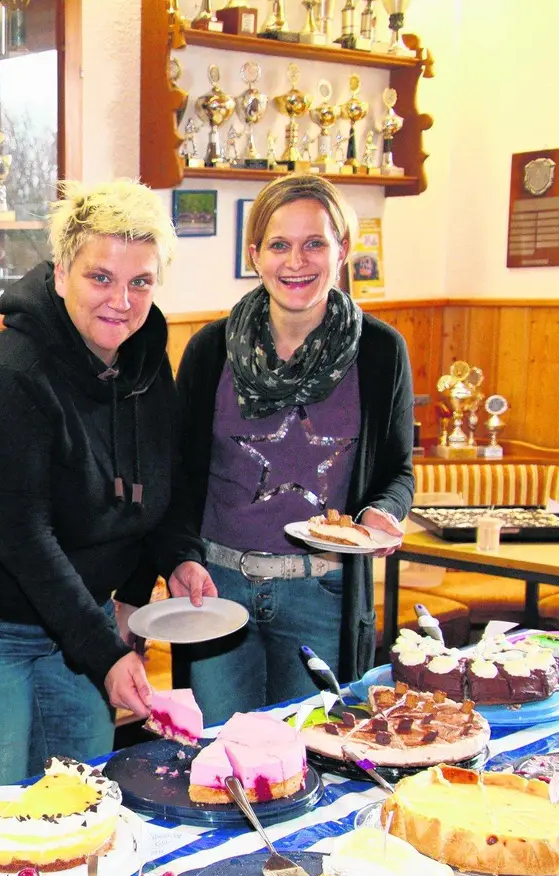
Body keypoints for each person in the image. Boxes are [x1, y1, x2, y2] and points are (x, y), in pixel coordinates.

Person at [0, 179, 194, 793]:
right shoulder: (11, 375)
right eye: (101, 277)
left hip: (71, 615)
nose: (121, 300)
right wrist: (107, 652)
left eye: (140, 282)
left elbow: (154, 487)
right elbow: (22, 537)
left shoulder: (145, 359)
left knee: (82, 797)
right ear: (61, 274)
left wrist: (173, 562)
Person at [166, 173, 414, 724]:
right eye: (279, 244)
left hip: (322, 591)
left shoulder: (380, 352)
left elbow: (398, 470)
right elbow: (180, 475)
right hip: (217, 589)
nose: (295, 261)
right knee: (219, 757)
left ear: (342, 250)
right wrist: (181, 556)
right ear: (254, 253)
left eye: (315, 243)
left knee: (313, 752)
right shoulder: (210, 349)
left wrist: (381, 512)